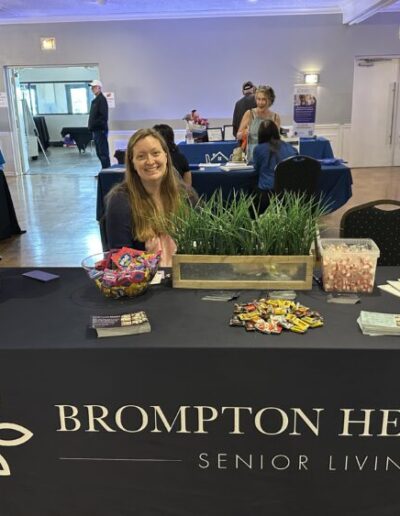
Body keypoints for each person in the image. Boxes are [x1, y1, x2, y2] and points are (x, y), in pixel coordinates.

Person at [105, 128, 196, 266]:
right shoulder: (120, 201)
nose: (150, 161)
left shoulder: (186, 195)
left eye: (155, 153)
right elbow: (122, 259)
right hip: (142, 278)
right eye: (141, 156)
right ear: (132, 163)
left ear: (166, 156)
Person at [253, 120, 297, 213]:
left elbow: (256, 170)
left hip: (266, 195)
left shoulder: (258, 149)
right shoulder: (290, 148)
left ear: (260, 134)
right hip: (288, 194)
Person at [237, 85, 281, 162]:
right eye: (258, 99)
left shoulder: (275, 117)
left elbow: (277, 141)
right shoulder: (249, 114)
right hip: (253, 157)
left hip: (269, 157)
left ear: (269, 101)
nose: (260, 102)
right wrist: (244, 133)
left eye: (263, 99)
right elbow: (238, 136)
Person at [88, 79, 110, 169]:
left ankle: (106, 171)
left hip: (100, 130)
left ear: (99, 88)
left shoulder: (101, 100)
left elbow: (103, 117)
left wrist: (95, 125)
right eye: (92, 87)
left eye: (94, 87)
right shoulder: (96, 100)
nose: (92, 89)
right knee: (99, 152)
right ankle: (104, 170)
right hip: (96, 131)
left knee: (103, 152)